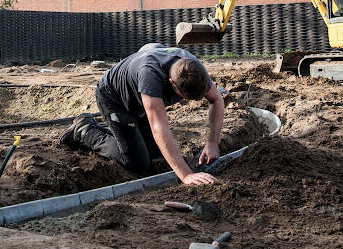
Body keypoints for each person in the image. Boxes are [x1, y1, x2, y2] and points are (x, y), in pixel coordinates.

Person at [60, 43, 225, 185]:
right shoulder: (150, 77)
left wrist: (213, 142)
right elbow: (159, 128)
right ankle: (85, 131)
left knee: (157, 154)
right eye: (185, 98)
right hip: (114, 99)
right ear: (172, 83)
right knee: (138, 162)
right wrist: (186, 175)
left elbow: (216, 99)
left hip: (140, 100)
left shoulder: (194, 69)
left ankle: (121, 133)